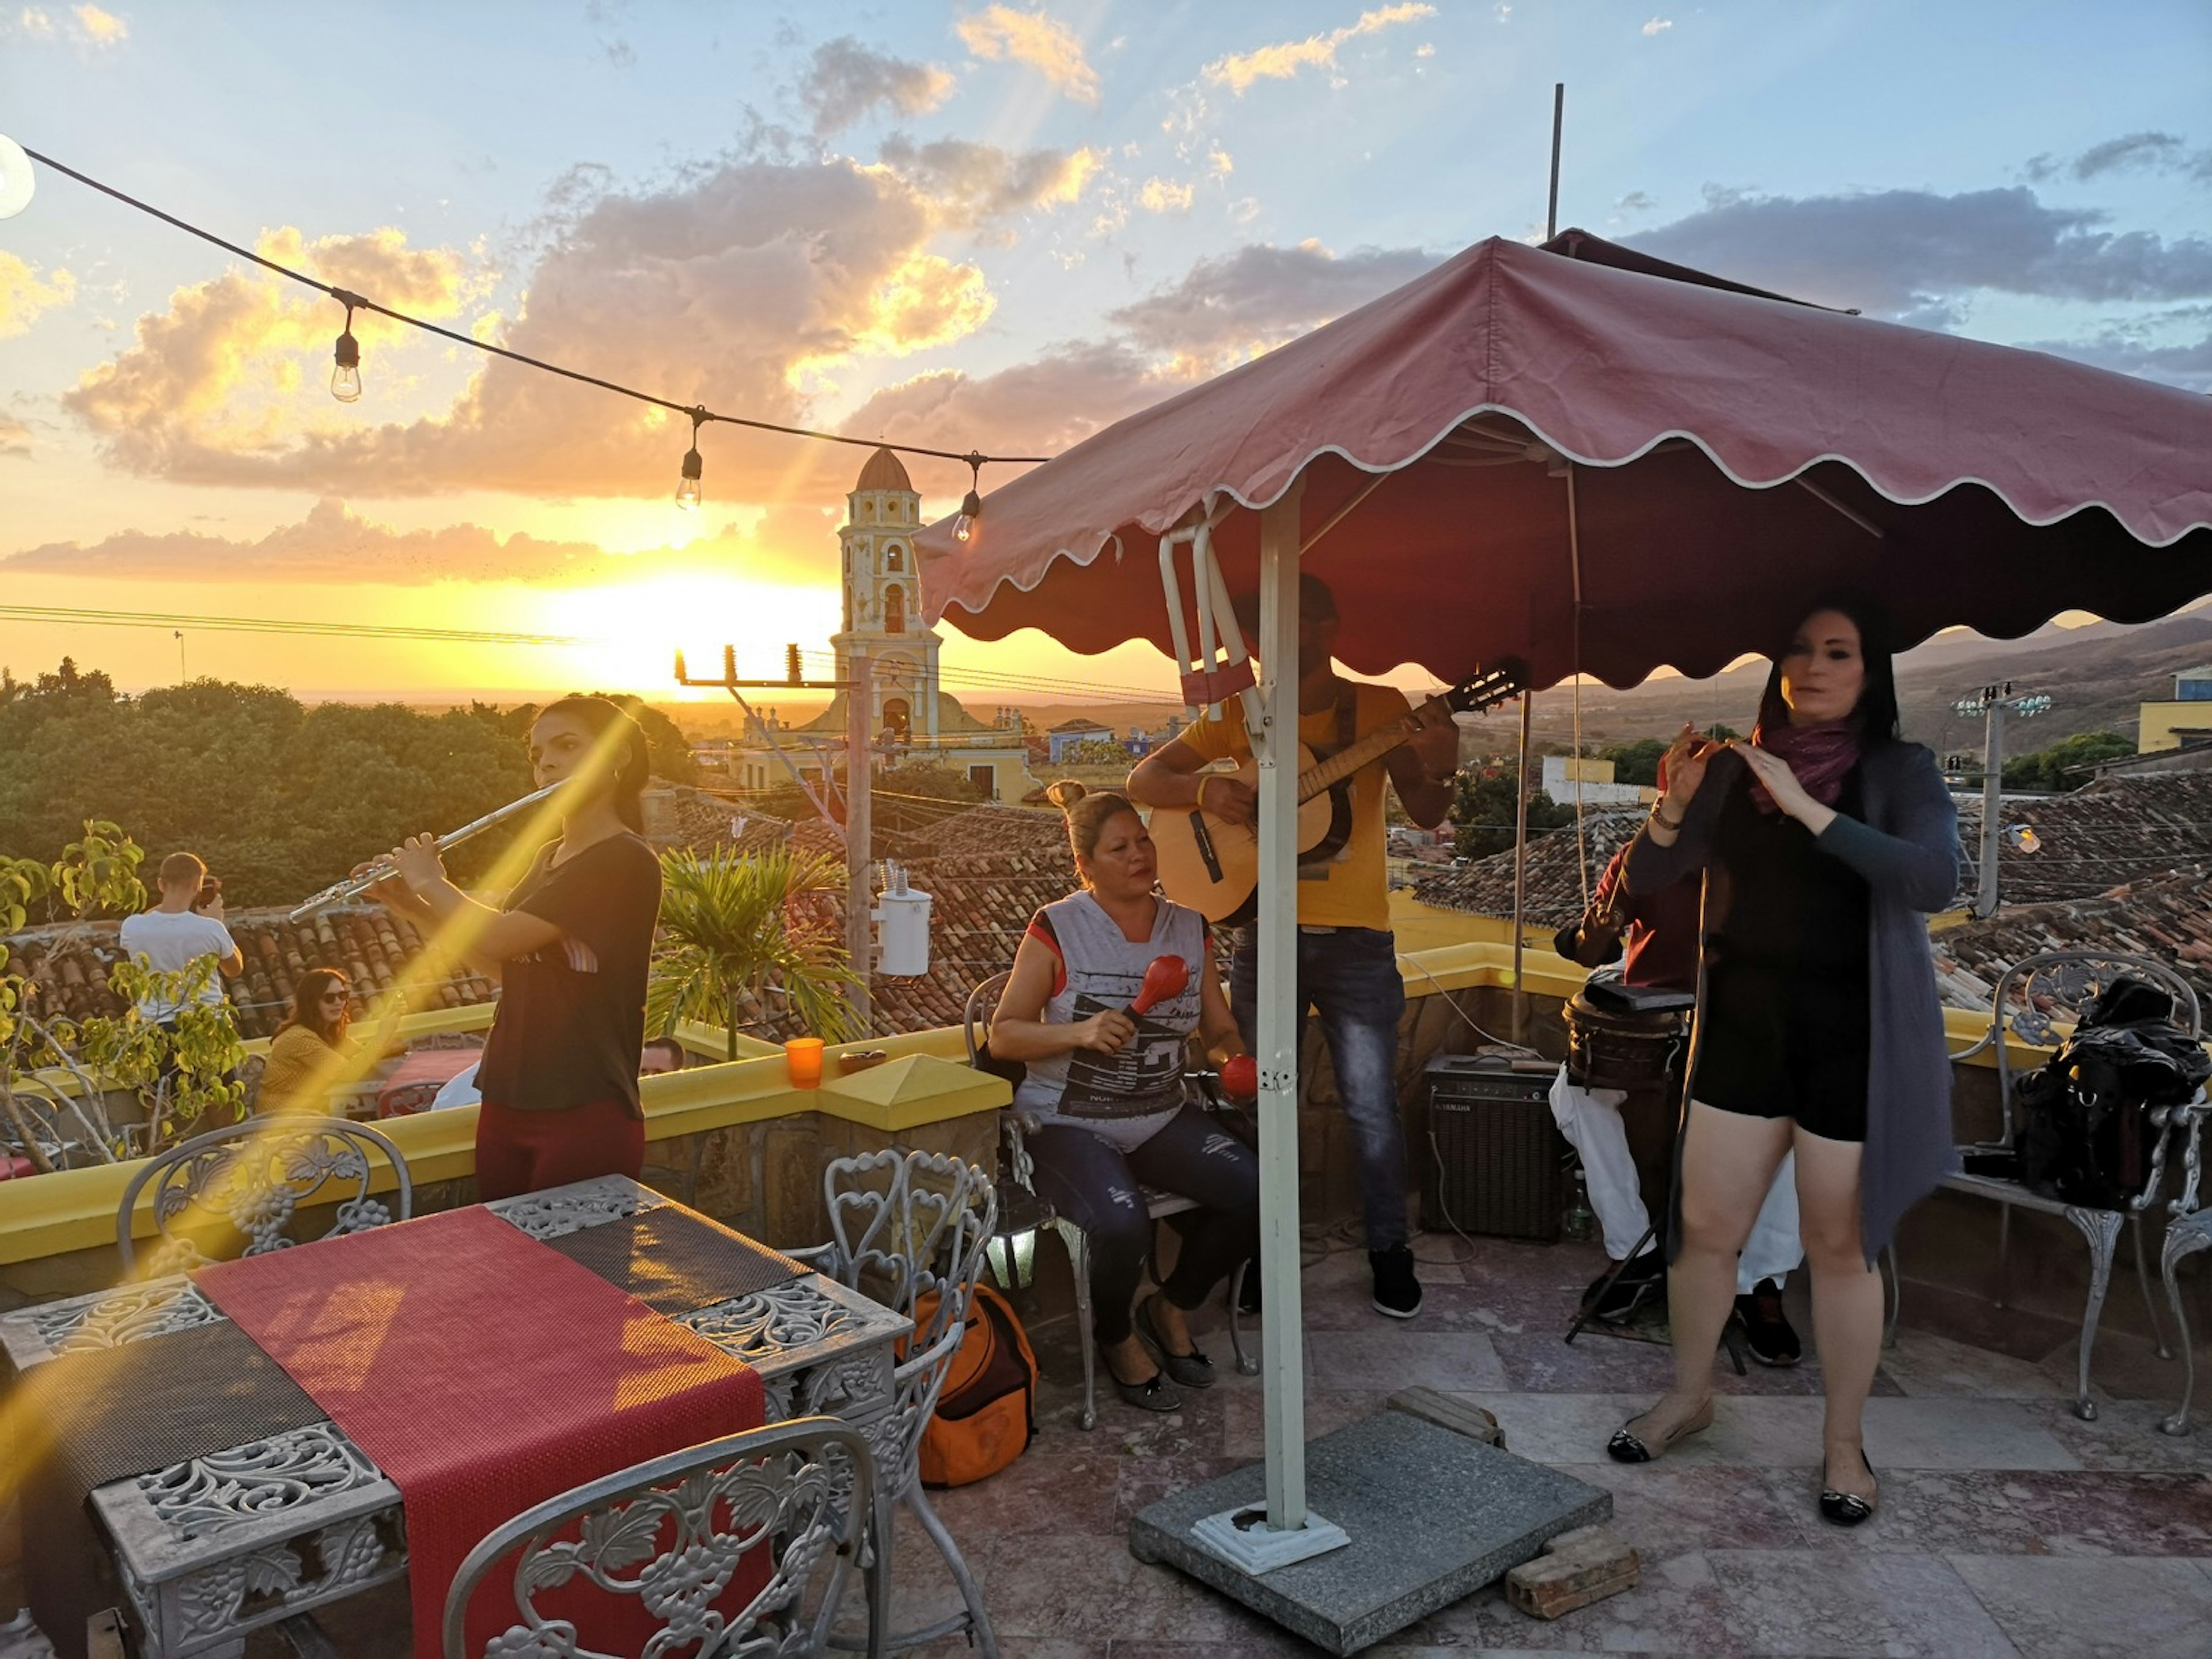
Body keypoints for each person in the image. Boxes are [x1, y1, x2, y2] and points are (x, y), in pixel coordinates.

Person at [1608, 599, 1958, 1528]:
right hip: (1742, 1033)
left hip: (1852, 1040)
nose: (1813, 666)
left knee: (1841, 1249)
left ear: (1870, 671)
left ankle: (1844, 1444)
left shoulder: (1899, 769)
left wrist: (1808, 810)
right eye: (1799, 649)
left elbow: (1933, 879)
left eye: (1837, 651)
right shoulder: (1733, 773)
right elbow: (1642, 887)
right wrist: (1674, 807)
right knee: (1703, 1228)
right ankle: (1690, 1396)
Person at [1127, 573, 1457, 1318]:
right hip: (1261, 934)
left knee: (1372, 1106)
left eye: (1305, 620)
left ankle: (1388, 1252)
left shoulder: (1378, 709)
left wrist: (1444, 755)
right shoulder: (1239, 714)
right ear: (1255, 641)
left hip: (1358, 942)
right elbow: (1146, 775)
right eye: (1273, 626)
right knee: (1256, 1101)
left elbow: (1429, 809)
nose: (1290, 636)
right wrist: (1206, 792)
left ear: (1330, 625)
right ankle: (1259, 1248)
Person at [988, 782, 1262, 1412]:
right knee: (1119, 1224)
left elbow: (1217, 1026)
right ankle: (1115, 1336)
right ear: (1085, 865)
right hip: (1065, 1122)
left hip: (1159, 1115)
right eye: (1119, 848)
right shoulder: (1057, 927)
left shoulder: (1190, 928)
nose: (1139, 855)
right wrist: (1078, 1031)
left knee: (1257, 1192)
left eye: (1143, 841)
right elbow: (1005, 1035)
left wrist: (1231, 1059)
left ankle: (1171, 1306)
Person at [366, 695, 663, 1200]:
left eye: (567, 746)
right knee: (511, 1267)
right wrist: (413, 907)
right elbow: (510, 966)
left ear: (618, 758)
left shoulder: (623, 860)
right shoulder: (552, 856)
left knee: (574, 1274)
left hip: (584, 1103)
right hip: (508, 1095)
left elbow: (498, 933)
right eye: (537, 754)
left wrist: (433, 880)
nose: (546, 763)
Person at [1552, 839, 1806, 1363]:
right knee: (1576, 1094)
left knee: (1801, 1128)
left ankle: (1757, 1281)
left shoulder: (1772, 857)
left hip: (1749, 1023)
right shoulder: (1642, 856)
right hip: (1654, 1016)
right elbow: (1589, 951)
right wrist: (1602, 920)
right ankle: (1633, 1251)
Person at [256, 969, 403, 1115]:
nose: (339, 1003)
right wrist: (382, 1033)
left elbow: (362, 1055)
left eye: (343, 996)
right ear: (311, 1003)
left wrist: (388, 1021)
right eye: (329, 998)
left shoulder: (326, 1032)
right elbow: (349, 1073)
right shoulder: (299, 1038)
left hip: (314, 1113)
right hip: (284, 1122)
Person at [119, 853, 244, 1022]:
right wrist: (216, 923)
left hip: (154, 1025)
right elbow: (234, 969)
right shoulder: (211, 928)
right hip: (206, 1023)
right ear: (197, 886)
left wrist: (170, 903)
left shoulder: (132, 927)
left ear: (161, 885)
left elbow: (152, 917)